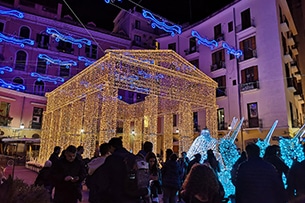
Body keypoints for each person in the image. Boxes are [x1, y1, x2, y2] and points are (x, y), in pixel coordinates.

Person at [92, 137, 149, 203]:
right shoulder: (133, 157)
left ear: (111, 147)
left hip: (117, 196)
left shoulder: (111, 159)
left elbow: (104, 180)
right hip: (133, 195)